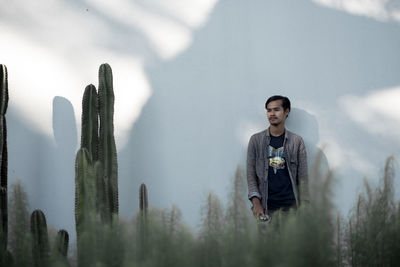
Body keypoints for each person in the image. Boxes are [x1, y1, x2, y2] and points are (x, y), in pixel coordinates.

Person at [246, 95, 309, 220]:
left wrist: (305, 207)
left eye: (276, 109)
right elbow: (250, 175)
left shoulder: (297, 141)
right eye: (269, 110)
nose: (272, 114)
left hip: (291, 210)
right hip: (265, 209)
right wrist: (256, 203)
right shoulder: (256, 140)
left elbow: (303, 179)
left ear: (286, 111)